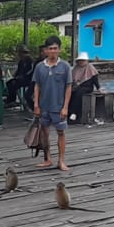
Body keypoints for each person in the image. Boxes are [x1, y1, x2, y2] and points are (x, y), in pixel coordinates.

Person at [31, 36, 72, 171]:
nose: (53, 51)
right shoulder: (39, 67)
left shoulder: (65, 66)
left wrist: (65, 107)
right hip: (44, 106)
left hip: (58, 106)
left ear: (59, 50)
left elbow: (68, 87)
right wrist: (36, 104)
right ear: (46, 51)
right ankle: (47, 158)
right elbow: (37, 86)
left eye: (55, 48)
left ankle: (61, 160)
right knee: (44, 132)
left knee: (61, 132)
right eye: (50, 49)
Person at [67, 53, 100, 123]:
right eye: (80, 60)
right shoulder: (76, 67)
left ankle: (75, 113)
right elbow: (71, 78)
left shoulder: (90, 67)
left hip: (87, 87)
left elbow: (95, 79)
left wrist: (98, 88)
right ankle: (68, 112)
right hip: (77, 86)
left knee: (78, 93)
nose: (81, 62)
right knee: (70, 92)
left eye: (83, 60)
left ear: (86, 61)